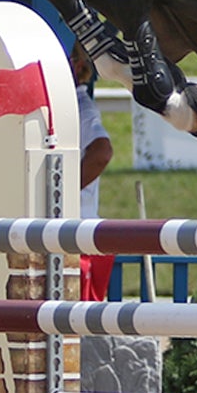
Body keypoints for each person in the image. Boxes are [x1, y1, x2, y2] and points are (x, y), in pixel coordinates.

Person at [70, 45, 117, 301]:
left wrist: (59, 193)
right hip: (72, 233)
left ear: (77, 66)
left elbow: (102, 152)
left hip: (75, 233)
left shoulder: (80, 108)